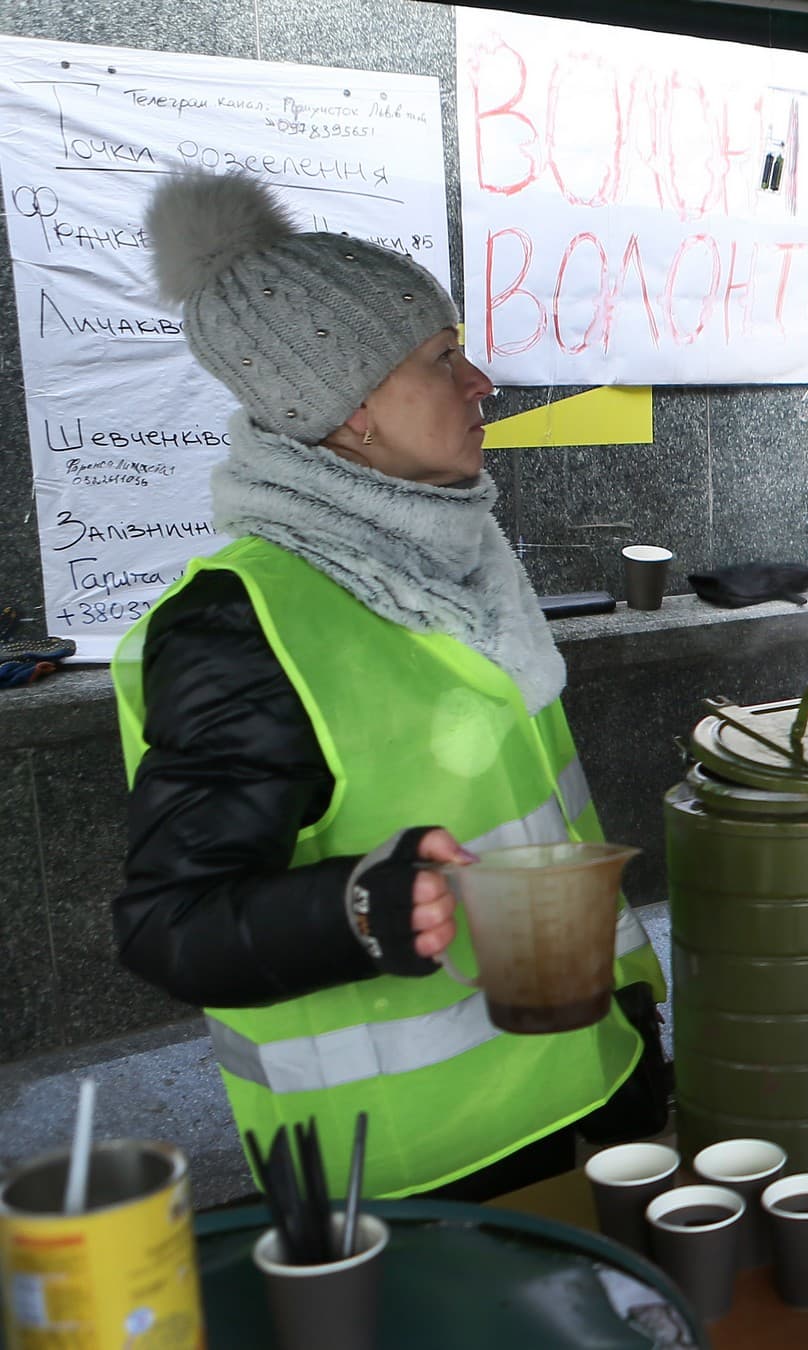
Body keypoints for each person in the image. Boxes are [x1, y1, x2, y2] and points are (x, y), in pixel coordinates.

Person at [112, 172, 669, 1201]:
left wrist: (632, 1029)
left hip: (589, 1080)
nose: (481, 382)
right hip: (418, 1180)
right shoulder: (240, 624)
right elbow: (167, 923)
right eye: (440, 359)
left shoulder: (461, 554)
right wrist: (355, 910)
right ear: (350, 412)